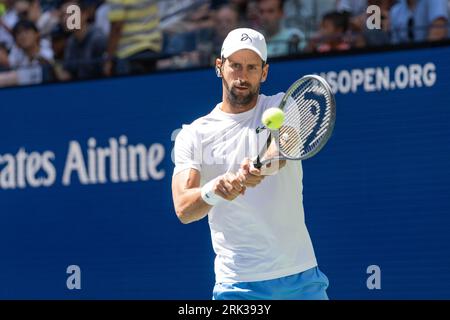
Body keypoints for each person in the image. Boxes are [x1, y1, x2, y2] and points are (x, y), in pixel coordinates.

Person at [171, 27, 329, 300]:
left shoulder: (282, 104)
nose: (242, 76)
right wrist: (215, 189)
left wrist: (258, 169)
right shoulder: (193, 134)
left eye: (252, 67)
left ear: (264, 72)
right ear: (219, 67)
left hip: (301, 277)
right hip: (237, 286)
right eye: (235, 66)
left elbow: (282, 149)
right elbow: (184, 208)